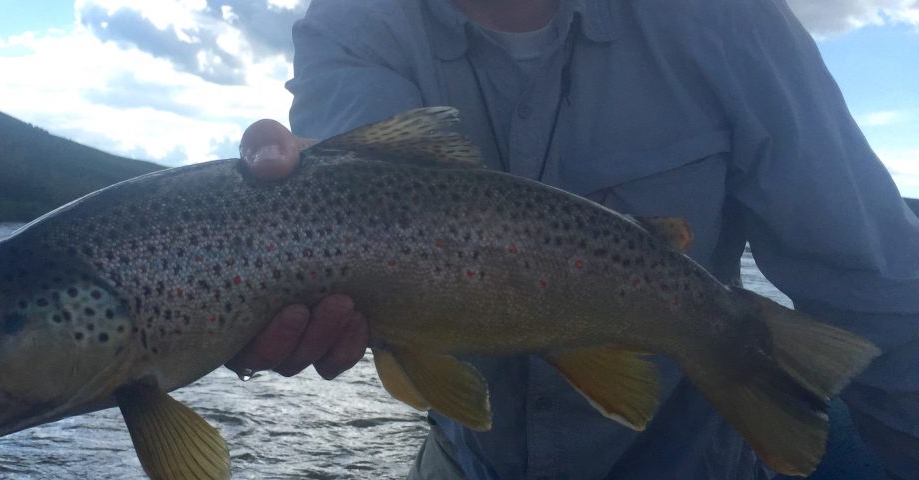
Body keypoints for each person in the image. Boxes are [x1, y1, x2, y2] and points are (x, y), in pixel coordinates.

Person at [226, 0, 919, 478]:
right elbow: (377, 202)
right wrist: (289, 237)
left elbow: (881, 291)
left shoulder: (725, 18)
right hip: (471, 461)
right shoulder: (352, 21)